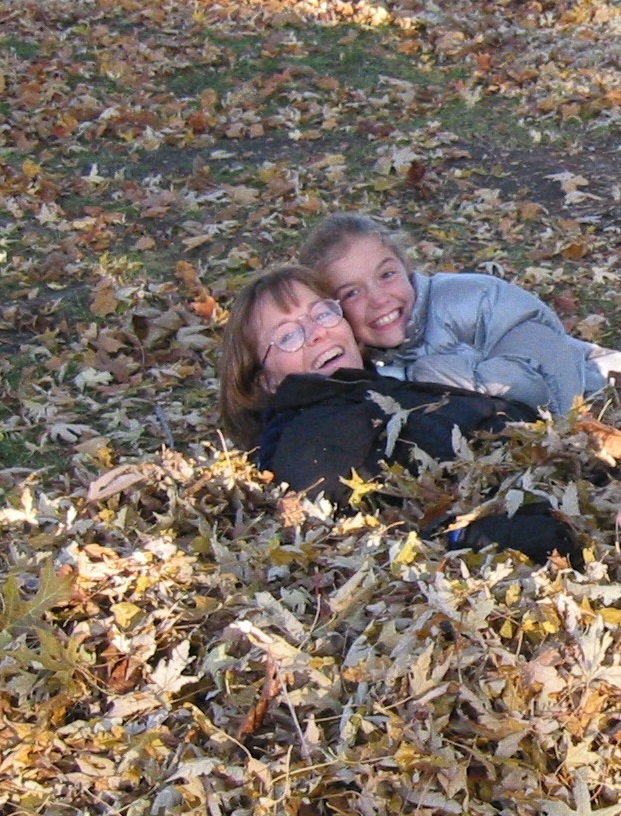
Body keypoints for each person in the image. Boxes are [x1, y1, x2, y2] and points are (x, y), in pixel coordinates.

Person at [219, 263, 581, 568]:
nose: (316, 333)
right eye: (288, 336)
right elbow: (358, 539)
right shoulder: (307, 436)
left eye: (322, 313)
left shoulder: (386, 385)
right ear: (264, 380)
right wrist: (468, 535)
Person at [298, 212, 621, 416]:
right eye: (352, 293)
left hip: (588, 383)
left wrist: (429, 374)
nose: (379, 299)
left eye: (386, 275)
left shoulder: (473, 299)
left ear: (406, 267)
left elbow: (542, 369)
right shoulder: (365, 356)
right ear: (332, 311)